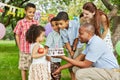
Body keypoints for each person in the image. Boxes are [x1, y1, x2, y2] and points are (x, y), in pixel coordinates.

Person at [53, 23, 120, 80]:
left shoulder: (95, 43)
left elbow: (85, 64)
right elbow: (77, 60)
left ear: (89, 34)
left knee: (80, 73)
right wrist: (60, 68)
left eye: (81, 34)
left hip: (112, 73)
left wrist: (63, 57)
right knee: (75, 68)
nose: (78, 36)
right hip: (103, 70)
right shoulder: (90, 43)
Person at [13, 3, 39, 80]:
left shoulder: (36, 23)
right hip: (24, 49)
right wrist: (19, 46)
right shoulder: (21, 23)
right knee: (23, 67)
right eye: (30, 12)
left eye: (33, 12)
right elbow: (17, 35)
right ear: (25, 11)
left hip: (33, 49)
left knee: (33, 67)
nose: (32, 14)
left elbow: (38, 35)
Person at [56, 11, 84, 80]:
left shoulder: (75, 24)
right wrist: (70, 51)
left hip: (78, 46)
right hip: (70, 47)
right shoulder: (62, 30)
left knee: (75, 64)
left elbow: (76, 39)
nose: (59, 26)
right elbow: (66, 42)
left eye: (61, 24)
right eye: (58, 24)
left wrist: (73, 51)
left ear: (67, 21)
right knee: (70, 65)